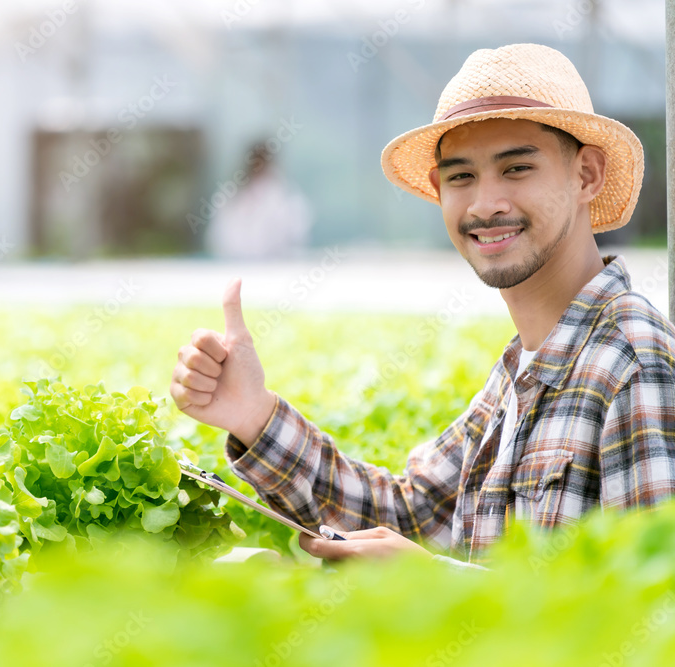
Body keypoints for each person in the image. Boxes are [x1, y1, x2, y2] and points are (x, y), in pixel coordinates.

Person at [169, 43, 675, 568]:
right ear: (439, 190)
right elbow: (409, 512)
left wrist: (437, 581)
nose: (485, 203)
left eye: (517, 168)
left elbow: (650, 612)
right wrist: (253, 415)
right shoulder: (526, 365)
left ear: (587, 175)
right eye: (461, 177)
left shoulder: (631, 360)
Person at [204, 142, 312, 260]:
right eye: (254, 160)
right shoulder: (229, 195)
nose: (257, 165)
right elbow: (218, 238)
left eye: (261, 160)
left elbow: (294, 239)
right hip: (234, 268)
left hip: (272, 270)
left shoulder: (287, 198)